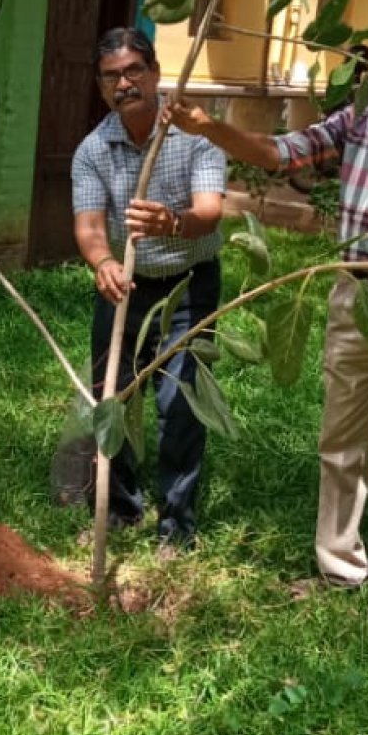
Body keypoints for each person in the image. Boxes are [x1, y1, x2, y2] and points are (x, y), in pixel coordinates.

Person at [166, 3, 368, 616]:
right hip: (353, 296)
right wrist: (208, 127)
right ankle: (339, 570)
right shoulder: (359, 122)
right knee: (339, 442)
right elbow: (279, 153)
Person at [71, 27, 226, 553]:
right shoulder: (93, 150)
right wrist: (104, 261)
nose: (124, 83)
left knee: (180, 405)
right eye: (112, 75)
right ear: (100, 86)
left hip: (189, 287)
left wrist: (173, 223)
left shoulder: (198, 136)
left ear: (156, 73)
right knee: (113, 395)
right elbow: (89, 224)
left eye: (134, 71)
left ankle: (176, 525)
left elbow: (209, 214)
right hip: (125, 289)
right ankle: (120, 507)